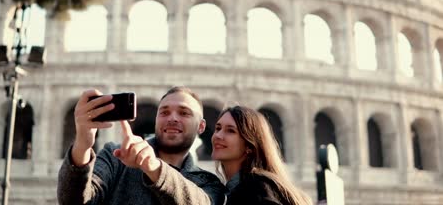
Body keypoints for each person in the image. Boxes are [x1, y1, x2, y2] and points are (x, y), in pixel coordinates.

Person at [57, 86, 226, 205]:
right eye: (164, 112)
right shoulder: (114, 156)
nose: (172, 118)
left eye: (184, 112)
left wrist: (153, 167)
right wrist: (82, 146)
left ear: (201, 126)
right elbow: (73, 200)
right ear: (156, 120)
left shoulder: (208, 183)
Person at [211, 105, 312, 205]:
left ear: (249, 146)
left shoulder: (255, 189)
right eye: (218, 128)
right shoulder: (246, 187)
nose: (218, 135)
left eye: (230, 131)